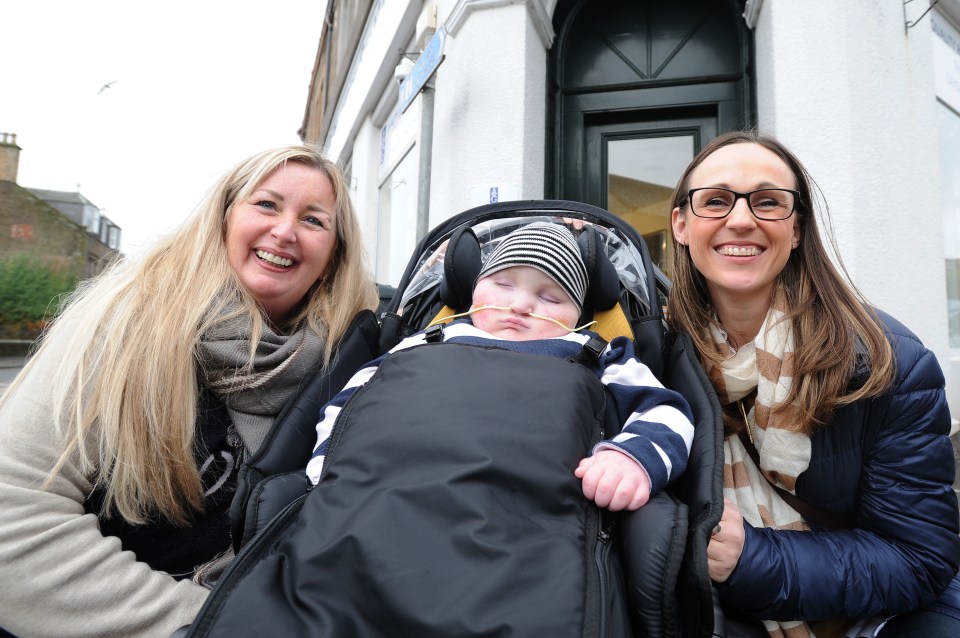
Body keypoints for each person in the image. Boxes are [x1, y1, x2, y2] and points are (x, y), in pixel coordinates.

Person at [0, 145, 380, 637]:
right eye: (266, 204)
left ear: (332, 257)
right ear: (222, 220)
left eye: (313, 220)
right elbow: (13, 514)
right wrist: (204, 623)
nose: (284, 231)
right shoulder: (122, 327)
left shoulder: (349, 366)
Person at [666, 130, 960, 637]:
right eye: (715, 201)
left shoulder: (889, 363)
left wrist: (752, 559)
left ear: (797, 229)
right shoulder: (656, 352)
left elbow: (918, 557)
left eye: (767, 202)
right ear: (681, 225)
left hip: (867, 621)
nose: (740, 219)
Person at [307, 221, 695, 511]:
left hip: (532, 501)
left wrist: (629, 458)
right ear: (475, 289)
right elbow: (352, 400)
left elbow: (665, 410)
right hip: (398, 487)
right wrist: (332, 461)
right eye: (504, 285)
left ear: (578, 315)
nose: (520, 305)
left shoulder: (595, 351)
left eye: (550, 297)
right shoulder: (429, 339)